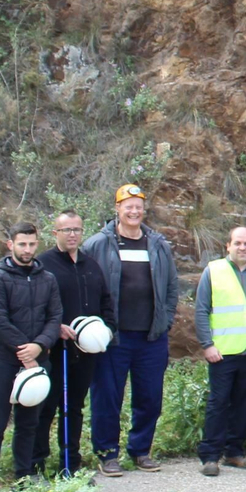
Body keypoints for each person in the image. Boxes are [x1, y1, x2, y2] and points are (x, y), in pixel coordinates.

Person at [84, 183, 180, 476]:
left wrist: (166, 320)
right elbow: (85, 284)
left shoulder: (158, 244)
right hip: (113, 338)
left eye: (138, 206)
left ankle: (140, 450)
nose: (134, 211)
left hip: (151, 337)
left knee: (150, 398)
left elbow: (171, 286)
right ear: (118, 208)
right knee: (107, 399)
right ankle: (107, 455)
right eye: (128, 206)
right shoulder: (97, 244)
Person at [0, 222, 61, 492]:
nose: (27, 249)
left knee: (28, 425)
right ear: (10, 245)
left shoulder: (47, 279)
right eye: (22, 244)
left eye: (31, 244)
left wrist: (39, 346)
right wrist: (24, 351)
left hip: (38, 361)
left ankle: (23, 480)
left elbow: (55, 317)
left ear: (38, 244)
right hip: (4, 362)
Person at [36, 210, 114, 478]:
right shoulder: (43, 264)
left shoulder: (91, 265)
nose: (72, 235)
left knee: (74, 409)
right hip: (54, 350)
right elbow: (34, 306)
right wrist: (54, 328)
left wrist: (108, 330)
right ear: (55, 233)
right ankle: (36, 465)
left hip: (84, 352)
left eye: (77, 230)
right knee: (46, 408)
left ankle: (70, 466)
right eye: (66, 230)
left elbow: (106, 302)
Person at [196, 227, 246, 476]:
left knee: (242, 404)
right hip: (222, 352)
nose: (243, 247)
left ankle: (234, 452)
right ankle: (210, 456)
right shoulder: (213, 271)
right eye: (238, 243)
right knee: (218, 403)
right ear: (228, 245)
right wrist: (207, 344)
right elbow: (201, 310)